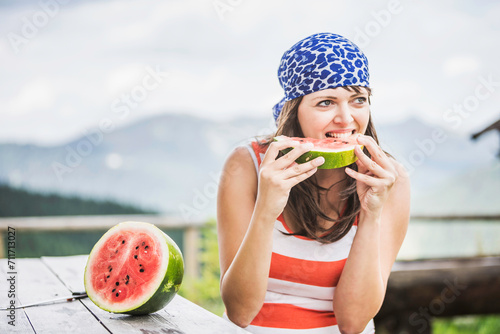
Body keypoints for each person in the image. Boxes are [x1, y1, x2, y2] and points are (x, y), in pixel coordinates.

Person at [217, 32, 410, 334]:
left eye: (358, 99)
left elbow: (353, 322)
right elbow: (240, 312)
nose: (346, 119)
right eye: (326, 103)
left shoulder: (388, 180)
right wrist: (267, 209)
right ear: (294, 111)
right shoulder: (248, 166)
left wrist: (371, 214)